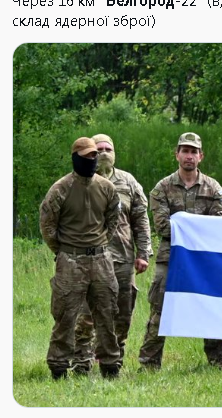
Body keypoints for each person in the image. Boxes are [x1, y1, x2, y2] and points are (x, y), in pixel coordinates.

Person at [138, 132, 222, 370]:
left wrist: (184, 226)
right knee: (159, 309)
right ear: (177, 154)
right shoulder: (162, 188)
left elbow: (217, 227)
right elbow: (162, 227)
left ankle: (216, 363)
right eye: (185, 151)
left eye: (193, 152)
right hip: (171, 258)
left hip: (205, 260)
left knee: (211, 306)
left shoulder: (214, 189)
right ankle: (149, 364)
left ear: (201, 156)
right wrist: (197, 229)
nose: (189, 156)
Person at [39, 137, 122, 379]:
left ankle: (110, 366)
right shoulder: (60, 189)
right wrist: (64, 251)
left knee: (107, 314)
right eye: (86, 156)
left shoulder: (106, 188)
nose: (92, 159)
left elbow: (112, 221)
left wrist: (99, 245)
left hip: (101, 261)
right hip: (70, 261)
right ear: (75, 157)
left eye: (94, 155)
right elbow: (47, 225)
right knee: (65, 316)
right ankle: (58, 367)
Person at [73, 134, 152, 374]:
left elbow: (141, 219)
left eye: (109, 149)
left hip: (122, 259)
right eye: (99, 149)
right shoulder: (78, 181)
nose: (104, 153)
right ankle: (81, 362)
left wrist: (143, 252)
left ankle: (113, 360)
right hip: (87, 259)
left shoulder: (128, 182)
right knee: (85, 314)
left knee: (121, 313)